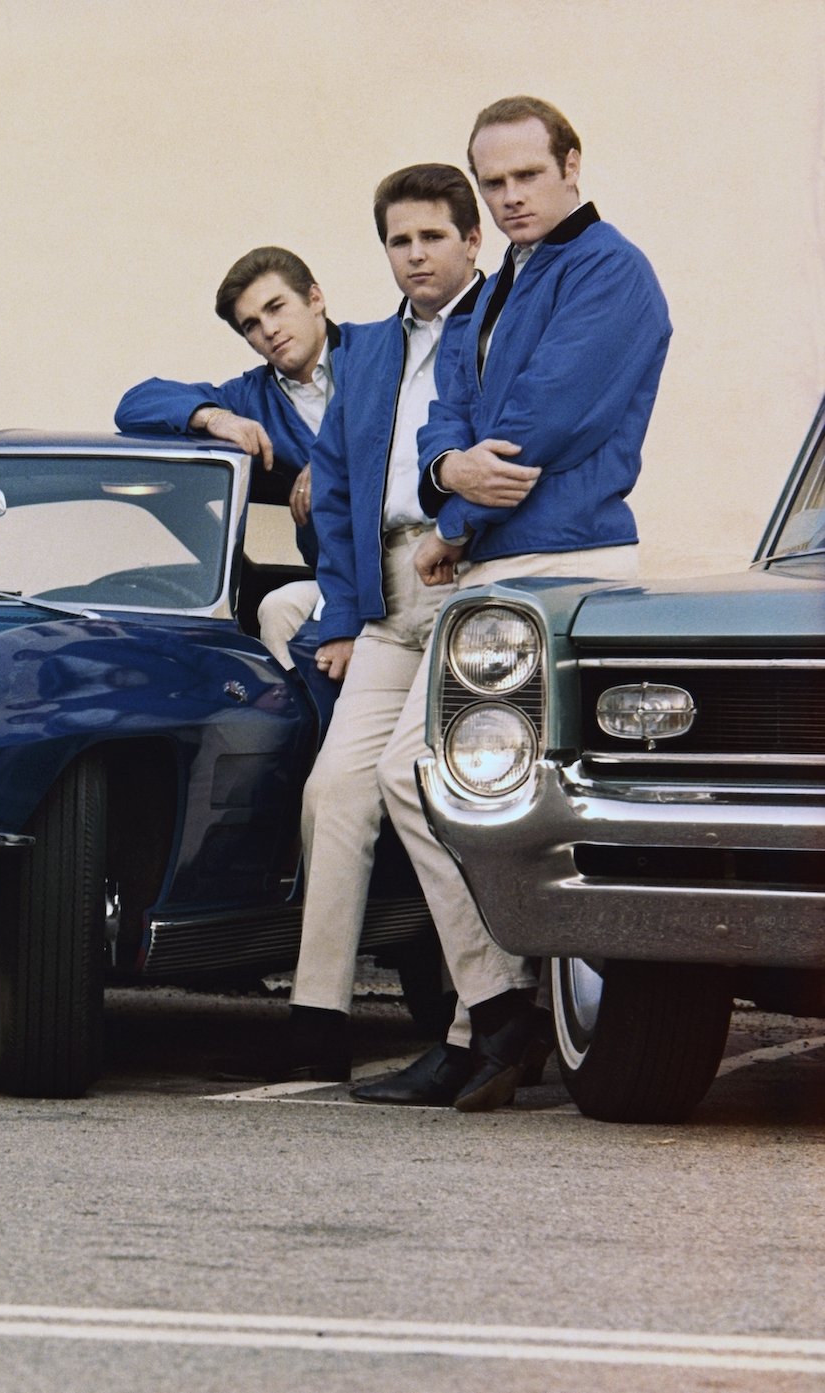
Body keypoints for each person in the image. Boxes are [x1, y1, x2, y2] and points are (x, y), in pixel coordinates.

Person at [361, 96, 671, 1111]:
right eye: (492, 184)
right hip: (499, 569)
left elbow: (538, 427)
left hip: (567, 565)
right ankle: (487, 1018)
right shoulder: (494, 290)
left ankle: (498, 1017)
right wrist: (449, 469)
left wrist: (449, 520)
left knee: (429, 774)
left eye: (525, 177)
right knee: (441, 781)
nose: (507, 198)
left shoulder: (612, 272)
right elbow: (446, 425)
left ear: (571, 163)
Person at [246, 165, 486, 1086]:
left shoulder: (496, 327)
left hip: (467, 572)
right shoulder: (373, 352)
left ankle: (483, 1018)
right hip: (387, 585)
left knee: (432, 788)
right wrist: (343, 610)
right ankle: (318, 1018)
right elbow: (340, 490)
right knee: (334, 791)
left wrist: (464, 533)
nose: (415, 254)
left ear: (471, 241)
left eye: (432, 236)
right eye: (399, 240)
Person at [115, 248, 367, 667]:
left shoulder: (377, 352)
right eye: (252, 324)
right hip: (340, 581)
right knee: (277, 608)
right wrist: (214, 417)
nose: (269, 329)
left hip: (414, 560)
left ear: (315, 299)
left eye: (276, 307)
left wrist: (330, 459)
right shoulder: (252, 398)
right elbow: (136, 402)